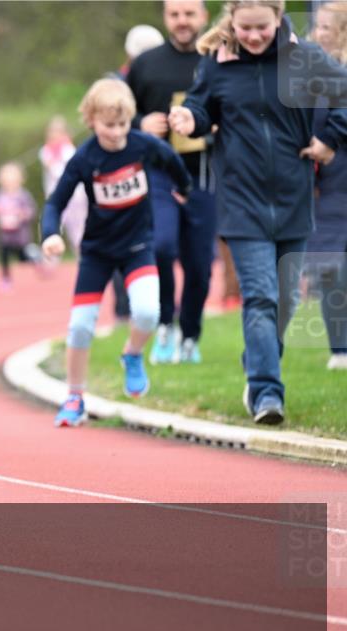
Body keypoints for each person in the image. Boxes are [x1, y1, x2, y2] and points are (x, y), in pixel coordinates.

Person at [169, 0, 347, 423]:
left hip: (293, 199)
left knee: (284, 300)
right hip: (241, 200)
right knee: (262, 297)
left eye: (261, 28)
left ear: (278, 17)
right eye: (243, 27)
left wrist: (330, 139)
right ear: (231, 19)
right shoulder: (217, 64)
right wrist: (188, 119)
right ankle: (267, 392)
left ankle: (257, 360)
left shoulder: (305, 58)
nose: (251, 36)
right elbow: (201, 107)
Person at [42, 79, 192, 427]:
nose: (116, 132)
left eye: (123, 124)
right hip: (98, 252)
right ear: (91, 120)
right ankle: (75, 396)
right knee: (79, 327)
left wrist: (183, 188)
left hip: (138, 246)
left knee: (147, 313)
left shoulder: (142, 145)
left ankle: (133, 354)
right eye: (109, 125)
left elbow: (172, 161)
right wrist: (51, 234)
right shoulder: (85, 157)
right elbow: (55, 202)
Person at [127, 0, 217, 365]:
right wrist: (140, 124)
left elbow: (237, 109)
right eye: (175, 15)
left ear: (204, 17)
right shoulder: (146, 63)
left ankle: (190, 334)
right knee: (162, 246)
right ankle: (165, 322)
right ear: (165, 17)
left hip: (203, 172)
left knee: (199, 263)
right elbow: (118, 111)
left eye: (189, 14)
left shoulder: (218, 61)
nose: (182, 22)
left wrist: (214, 127)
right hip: (159, 170)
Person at [306, 0, 347, 369]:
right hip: (328, 184)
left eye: (323, 28)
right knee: (331, 266)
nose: (315, 34)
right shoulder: (312, 76)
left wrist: (332, 142)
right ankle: (341, 348)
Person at [0, 161, 39, 291]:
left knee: (23, 258)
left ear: (21, 179)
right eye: (6, 176)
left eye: (12, 176)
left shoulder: (23, 195)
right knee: (4, 255)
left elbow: (31, 211)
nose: (9, 179)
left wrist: (21, 216)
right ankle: (6, 279)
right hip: (4, 235)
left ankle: (35, 256)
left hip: (21, 236)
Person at [39, 116, 88, 254]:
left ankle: (82, 256)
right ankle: (49, 259)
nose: (55, 135)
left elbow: (64, 173)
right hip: (55, 197)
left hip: (75, 197)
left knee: (78, 229)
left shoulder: (69, 150)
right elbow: (52, 169)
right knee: (52, 226)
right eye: (52, 131)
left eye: (58, 131)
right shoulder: (45, 151)